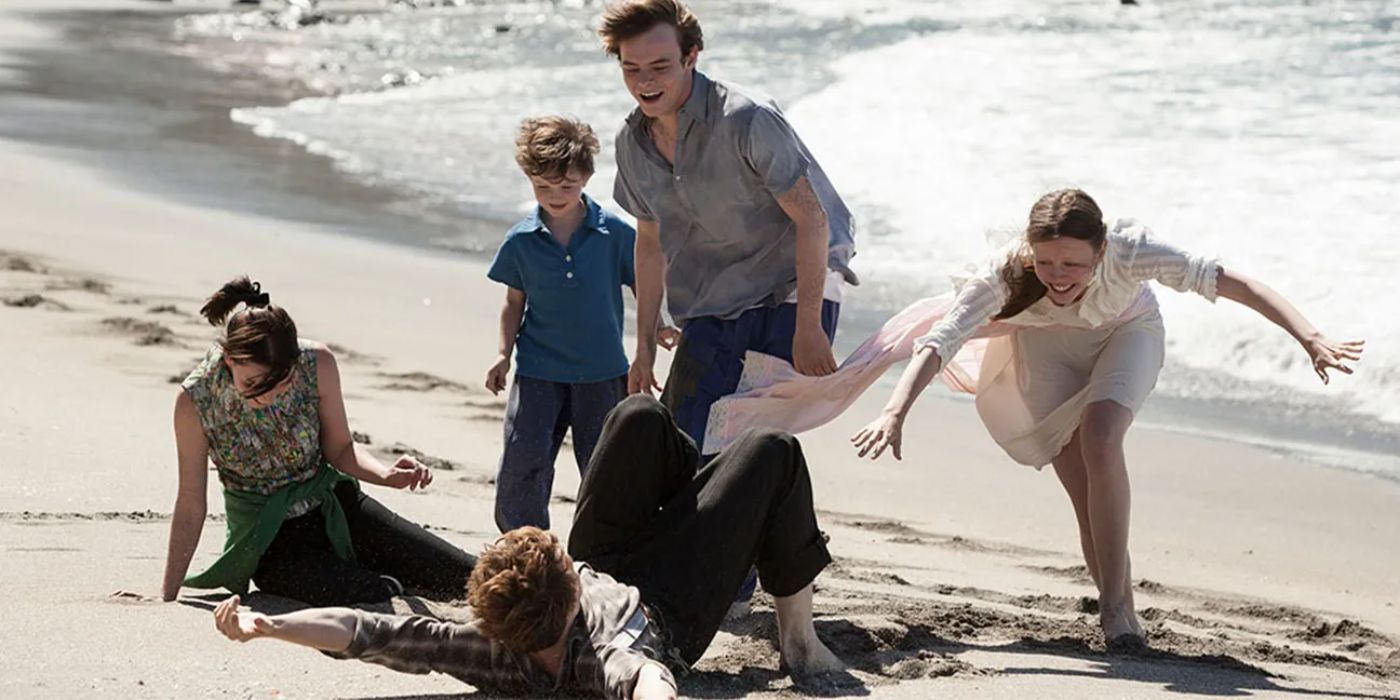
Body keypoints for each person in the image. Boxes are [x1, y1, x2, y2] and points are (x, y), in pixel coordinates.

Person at [850, 189, 1363, 647]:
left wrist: (1310, 338)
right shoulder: (1007, 272)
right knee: (1082, 492)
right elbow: (940, 341)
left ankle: (1114, 608)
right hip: (1047, 350)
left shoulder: (1130, 251)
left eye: (1073, 264)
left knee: (1101, 437)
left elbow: (1231, 282)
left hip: (1126, 334)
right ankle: (1119, 602)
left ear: (1100, 251)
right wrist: (894, 413)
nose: (1057, 276)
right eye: (1047, 262)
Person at [210, 396, 846, 698]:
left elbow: (367, 632)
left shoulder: (488, 647)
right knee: (773, 452)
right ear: (569, 593)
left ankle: (707, 493)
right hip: (667, 607)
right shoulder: (607, 654)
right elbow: (649, 679)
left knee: (635, 418)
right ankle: (799, 640)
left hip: (613, 562)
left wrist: (269, 626)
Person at [602, 0, 858, 455]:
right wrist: (641, 345)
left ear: (691, 56)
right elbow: (649, 242)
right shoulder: (632, 144)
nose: (644, 82)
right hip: (712, 295)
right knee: (684, 441)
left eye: (660, 66)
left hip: (792, 289)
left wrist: (809, 326)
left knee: (747, 445)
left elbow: (813, 218)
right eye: (631, 68)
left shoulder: (746, 118)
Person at [161, 277, 476, 606]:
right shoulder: (195, 401)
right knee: (369, 590)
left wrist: (385, 475)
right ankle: (387, 579)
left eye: (279, 383)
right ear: (229, 360)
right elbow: (191, 503)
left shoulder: (317, 363)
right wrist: (167, 594)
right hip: (269, 540)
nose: (267, 395)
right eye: (253, 382)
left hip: (335, 506)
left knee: (468, 576)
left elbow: (340, 448)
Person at [484, 116, 642, 532]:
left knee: (604, 469)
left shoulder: (616, 235)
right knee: (524, 461)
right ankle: (524, 542)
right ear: (528, 177)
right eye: (543, 187)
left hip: (604, 373)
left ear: (587, 176)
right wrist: (502, 354)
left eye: (567, 186)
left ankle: (605, 546)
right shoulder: (521, 240)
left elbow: (644, 284)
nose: (555, 195)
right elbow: (513, 302)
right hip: (538, 372)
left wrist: (657, 329)